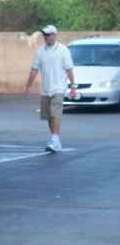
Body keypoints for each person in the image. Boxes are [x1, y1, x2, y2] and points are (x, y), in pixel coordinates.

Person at [25, 24, 76, 152]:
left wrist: (73, 87)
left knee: (55, 114)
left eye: (48, 35)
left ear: (54, 35)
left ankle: (55, 139)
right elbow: (34, 69)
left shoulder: (63, 50)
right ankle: (55, 139)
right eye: (44, 35)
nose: (45, 37)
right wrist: (28, 86)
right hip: (45, 89)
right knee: (48, 116)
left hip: (59, 88)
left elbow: (69, 69)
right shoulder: (40, 51)